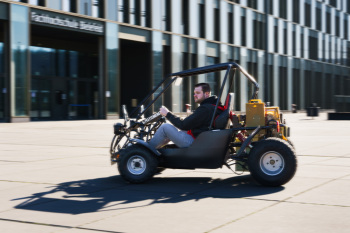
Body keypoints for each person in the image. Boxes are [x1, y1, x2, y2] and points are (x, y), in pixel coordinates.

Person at [148, 83, 222, 149]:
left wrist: (167, 114)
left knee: (165, 127)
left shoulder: (205, 109)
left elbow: (183, 125)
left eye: (198, 93)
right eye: (194, 93)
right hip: (203, 139)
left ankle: (146, 151)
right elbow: (189, 123)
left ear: (207, 94)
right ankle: (155, 150)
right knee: (175, 130)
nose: (195, 95)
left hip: (196, 143)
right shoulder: (213, 106)